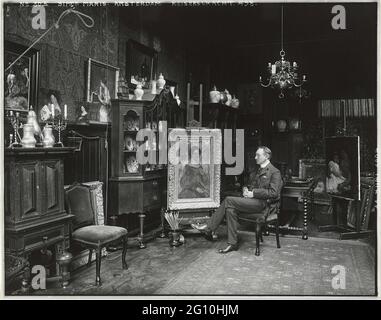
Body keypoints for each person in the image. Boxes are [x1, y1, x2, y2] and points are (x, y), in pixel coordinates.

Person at [191, 146, 283, 254]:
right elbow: (252, 186)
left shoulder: (275, 172)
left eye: (258, 155)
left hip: (263, 205)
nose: (255, 157)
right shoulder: (259, 170)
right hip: (254, 202)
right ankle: (232, 244)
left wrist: (253, 193)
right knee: (230, 209)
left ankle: (209, 227)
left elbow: (273, 193)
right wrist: (246, 190)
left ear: (266, 156)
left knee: (228, 200)